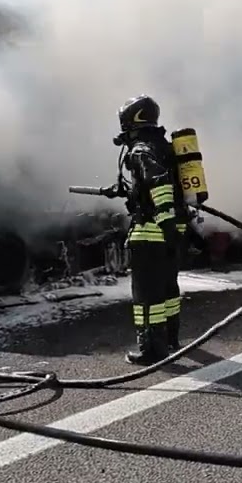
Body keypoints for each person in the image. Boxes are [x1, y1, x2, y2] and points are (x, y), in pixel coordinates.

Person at [100, 94, 188, 366]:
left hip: (150, 234)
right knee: (168, 290)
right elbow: (162, 186)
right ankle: (171, 340)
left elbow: (159, 183)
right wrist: (127, 191)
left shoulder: (140, 150)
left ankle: (152, 350)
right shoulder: (164, 146)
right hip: (172, 234)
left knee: (147, 297)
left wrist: (164, 220)